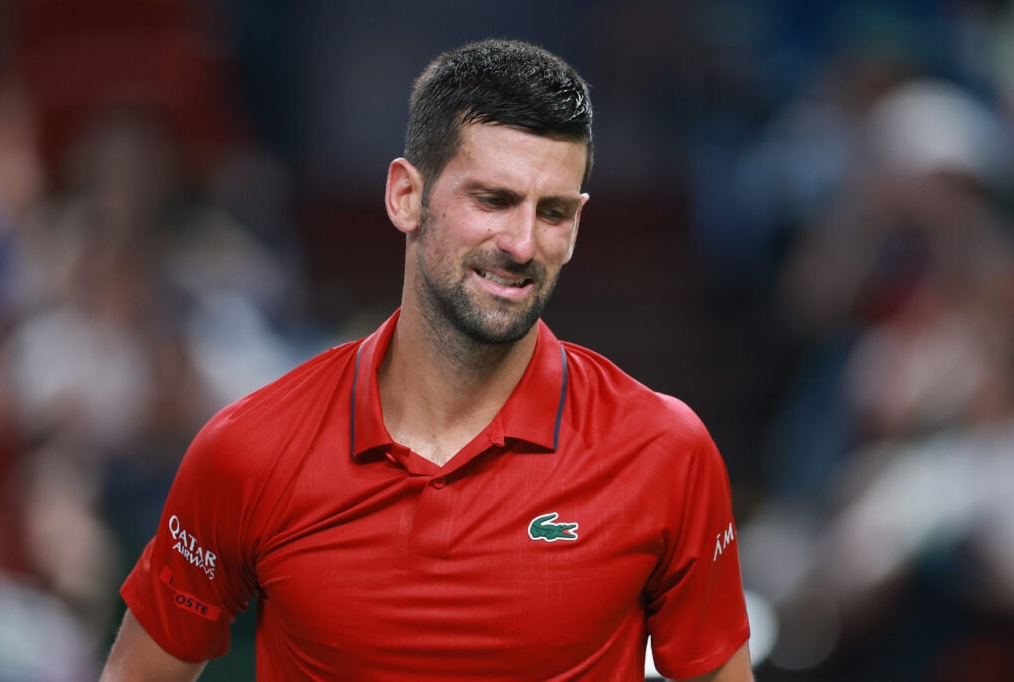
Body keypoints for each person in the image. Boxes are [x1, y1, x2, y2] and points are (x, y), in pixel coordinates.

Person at [99, 38, 753, 681]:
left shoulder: (665, 451)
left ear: (576, 226)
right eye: (492, 199)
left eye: (552, 211)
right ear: (406, 196)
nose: (523, 243)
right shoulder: (249, 450)